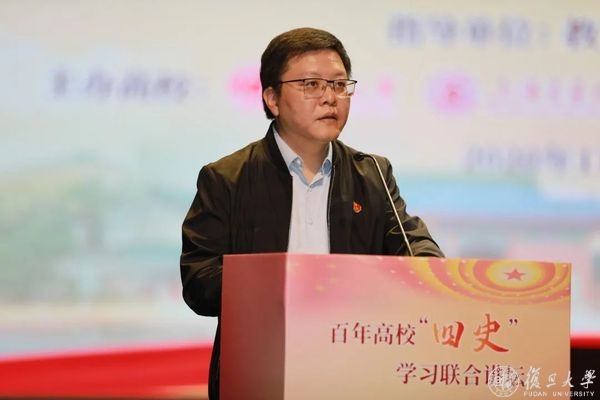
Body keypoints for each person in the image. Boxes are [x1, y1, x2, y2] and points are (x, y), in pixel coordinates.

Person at [180, 27, 444, 400]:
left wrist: (436, 276)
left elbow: (413, 248)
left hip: (351, 372)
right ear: (272, 98)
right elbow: (199, 281)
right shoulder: (227, 178)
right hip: (260, 372)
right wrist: (287, 283)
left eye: (339, 85)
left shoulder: (372, 174)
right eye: (311, 85)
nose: (329, 98)